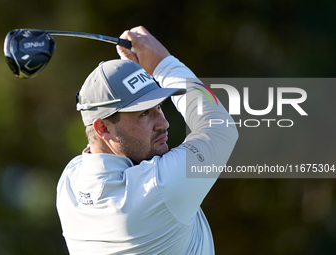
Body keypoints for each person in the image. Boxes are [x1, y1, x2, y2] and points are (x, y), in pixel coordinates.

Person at [56, 26, 238, 255]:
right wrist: (163, 64)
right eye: (144, 113)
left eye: (159, 107)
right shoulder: (159, 188)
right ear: (102, 127)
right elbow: (220, 128)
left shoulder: (70, 182)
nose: (163, 123)